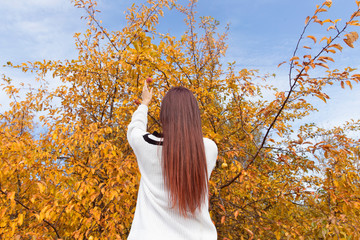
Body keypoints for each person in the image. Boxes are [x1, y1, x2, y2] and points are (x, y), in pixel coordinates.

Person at [126, 80, 218, 240]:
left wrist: (144, 104)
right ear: (194, 115)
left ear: (164, 115)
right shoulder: (208, 149)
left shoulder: (147, 145)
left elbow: (135, 129)